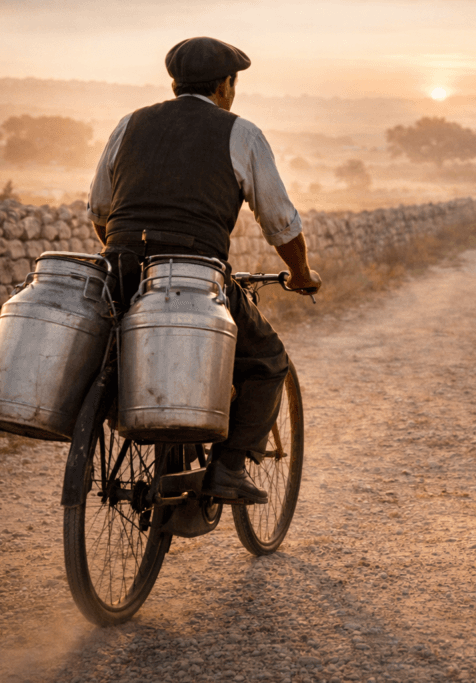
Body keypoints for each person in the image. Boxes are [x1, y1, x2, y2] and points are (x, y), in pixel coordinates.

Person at [86, 36, 321, 504]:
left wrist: (128, 257)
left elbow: (99, 209)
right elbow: (279, 222)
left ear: (174, 83)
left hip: (121, 268)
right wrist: (301, 274)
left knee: (111, 352)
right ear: (226, 85)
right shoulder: (241, 133)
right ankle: (227, 470)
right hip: (196, 272)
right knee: (267, 361)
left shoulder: (130, 124)